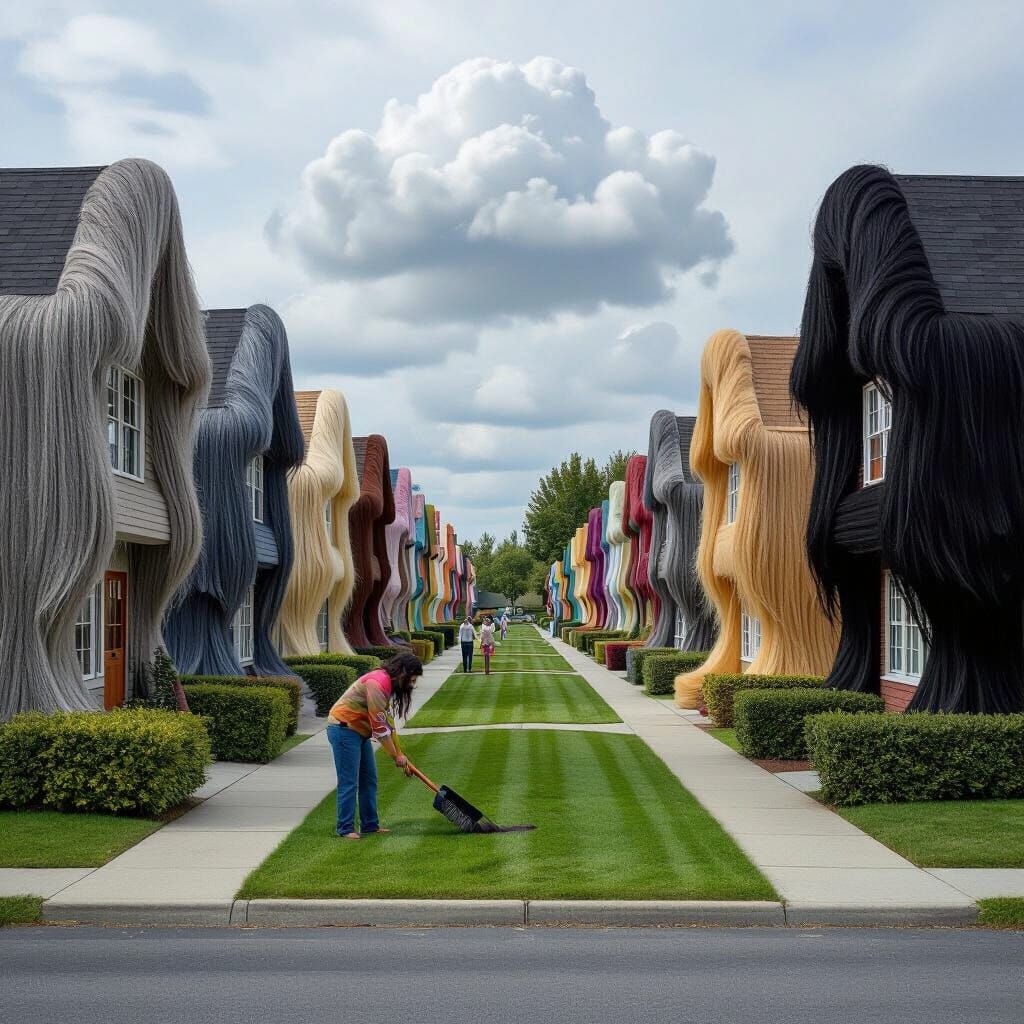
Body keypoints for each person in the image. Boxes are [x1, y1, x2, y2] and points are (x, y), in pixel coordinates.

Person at [325, 652, 423, 840]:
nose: (413, 684)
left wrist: (401, 754)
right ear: (402, 672)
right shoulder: (378, 684)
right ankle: (344, 828)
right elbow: (379, 729)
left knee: (369, 779)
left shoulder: (387, 684)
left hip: (358, 732)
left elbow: (388, 724)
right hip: (343, 729)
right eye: (412, 679)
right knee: (349, 781)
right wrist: (396, 758)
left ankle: (370, 825)